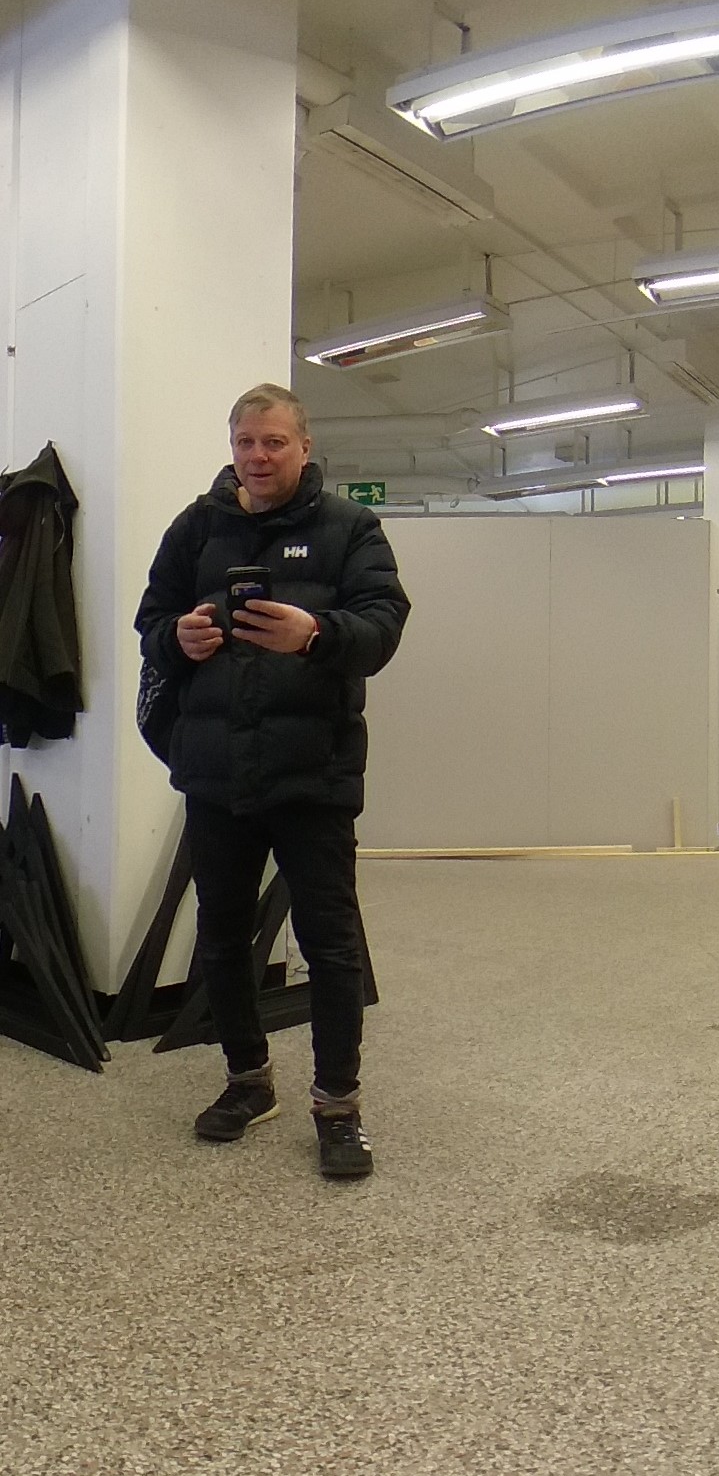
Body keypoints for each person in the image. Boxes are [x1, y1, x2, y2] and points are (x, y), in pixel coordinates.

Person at [137, 382, 407, 1179]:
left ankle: (338, 1105)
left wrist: (316, 632)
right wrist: (177, 637)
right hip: (216, 773)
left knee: (330, 945)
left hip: (313, 774)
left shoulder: (350, 528)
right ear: (233, 446)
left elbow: (384, 624)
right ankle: (248, 1081)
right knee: (221, 936)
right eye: (246, 442)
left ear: (304, 447)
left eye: (275, 442)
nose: (258, 456)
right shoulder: (196, 527)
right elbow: (151, 620)